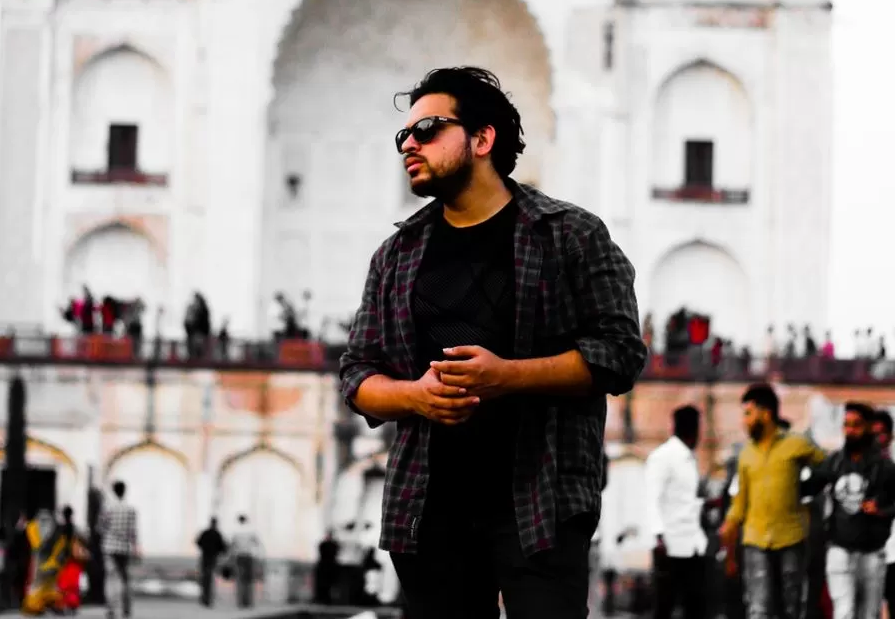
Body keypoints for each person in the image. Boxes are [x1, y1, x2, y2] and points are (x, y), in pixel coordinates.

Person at [339, 66, 647, 619]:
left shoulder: (570, 236)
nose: (410, 143)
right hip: (428, 506)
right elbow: (357, 376)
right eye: (403, 135)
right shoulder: (397, 254)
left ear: (483, 139)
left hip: (541, 500)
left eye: (428, 128)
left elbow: (620, 353)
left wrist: (508, 375)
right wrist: (416, 396)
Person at [720, 383, 826, 619]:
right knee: (759, 609)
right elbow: (740, 501)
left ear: (766, 413)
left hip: (791, 538)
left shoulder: (797, 444)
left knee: (792, 607)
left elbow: (826, 467)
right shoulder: (746, 454)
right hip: (755, 540)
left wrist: (808, 490)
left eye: (748, 413)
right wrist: (729, 525)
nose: (744, 421)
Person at [808, 402, 895, 619]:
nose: (850, 430)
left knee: (869, 614)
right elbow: (809, 487)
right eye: (846, 425)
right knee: (844, 612)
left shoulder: (885, 467)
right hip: (840, 549)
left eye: (856, 425)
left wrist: (881, 510)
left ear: (868, 427)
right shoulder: (835, 462)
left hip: (872, 553)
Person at [645, 405, 707, 619]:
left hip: (692, 545)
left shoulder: (690, 458)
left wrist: (706, 505)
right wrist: (658, 537)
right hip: (669, 546)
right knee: (665, 607)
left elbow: (684, 500)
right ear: (695, 429)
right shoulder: (663, 456)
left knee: (695, 606)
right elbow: (652, 497)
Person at [99, 480, 139, 619]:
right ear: (124, 491)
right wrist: (136, 547)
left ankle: (111, 609)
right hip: (124, 547)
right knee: (125, 579)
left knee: (110, 578)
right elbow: (133, 531)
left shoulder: (107, 508)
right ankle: (126, 609)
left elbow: (100, 527)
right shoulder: (131, 509)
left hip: (109, 547)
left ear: (114, 491)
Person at [22, 510, 73, 615]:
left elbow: (38, 545)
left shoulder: (33, 527)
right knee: (42, 583)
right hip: (44, 560)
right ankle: (38, 605)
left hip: (46, 560)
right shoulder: (37, 527)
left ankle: (43, 605)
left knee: (45, 584)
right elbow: (38, 545)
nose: (44, 523)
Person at [870, 409, 895, 619]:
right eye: (873, 433)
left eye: (882, 433)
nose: (877, 439)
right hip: (869, 549)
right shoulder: (861, 467)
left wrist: (880, 511)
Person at [229, 515, 264, 609]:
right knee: (249, 580)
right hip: (249, 557)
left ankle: (240, 602)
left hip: (239, 557)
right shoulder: (251, 530)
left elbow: (231, 545)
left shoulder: (235, 531)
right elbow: (258, 543)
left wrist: (231, 557)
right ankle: (248, 602)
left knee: (240, 580)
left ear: (239, 520)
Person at [196, 518, 227, 608]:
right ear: (216, 524)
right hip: (213, 559)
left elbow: (198, 542)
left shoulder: (205, 532)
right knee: (210, 579)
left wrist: (204, 549)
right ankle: (208, 599)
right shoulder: (217, 534)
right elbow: (223, 547)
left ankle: (204, 598)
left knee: (204, 578)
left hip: (205, 558)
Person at [313, 530, 340, 604]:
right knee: (327, 584)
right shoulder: (332, 545)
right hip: (328, 567)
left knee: (326, 584)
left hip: (326, 567)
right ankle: (325, 599)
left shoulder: (324, 544)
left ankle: (324, 599)